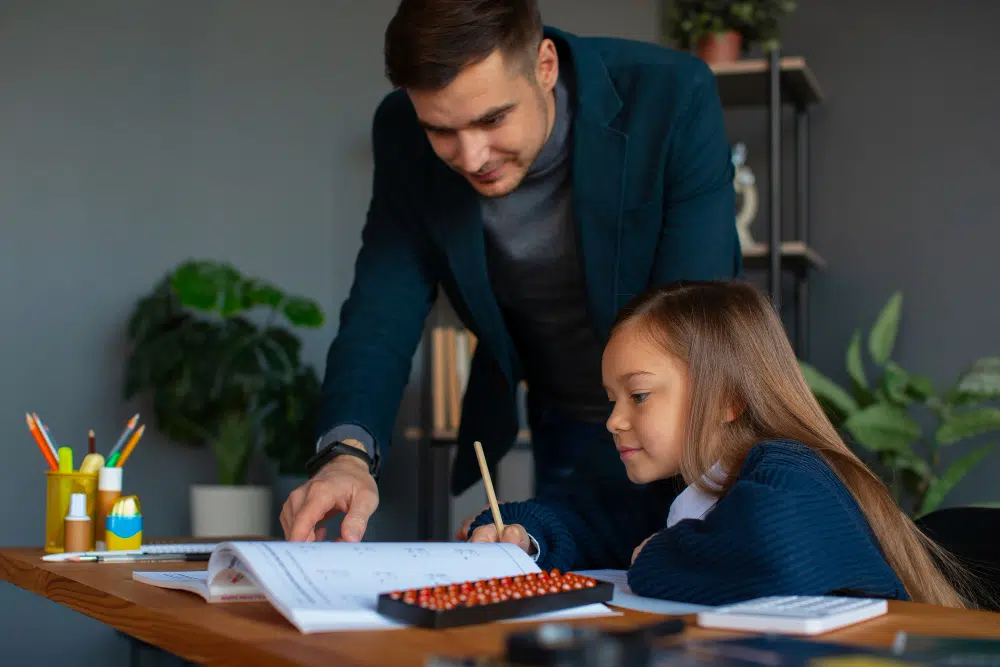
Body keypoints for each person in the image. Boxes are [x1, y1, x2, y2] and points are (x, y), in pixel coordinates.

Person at [280, 0, 741, 544]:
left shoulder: (670, 95)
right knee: (570, 583)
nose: (472, 156)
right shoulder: (400, 132)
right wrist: (345, 456)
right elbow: (381, 311)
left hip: (684, 407)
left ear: (544, 66)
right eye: (442, 131)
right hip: (562, 412)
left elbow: (697, 307)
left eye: (493, 119)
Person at [466, 280, 971, 608]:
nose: (615, 421)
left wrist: (651, 559)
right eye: (611, 400)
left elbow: (776, 556)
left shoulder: (793, 468)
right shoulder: (678, 491)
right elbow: (585, 524)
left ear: (728, 397)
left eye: (638, 395)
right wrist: (520, 536)